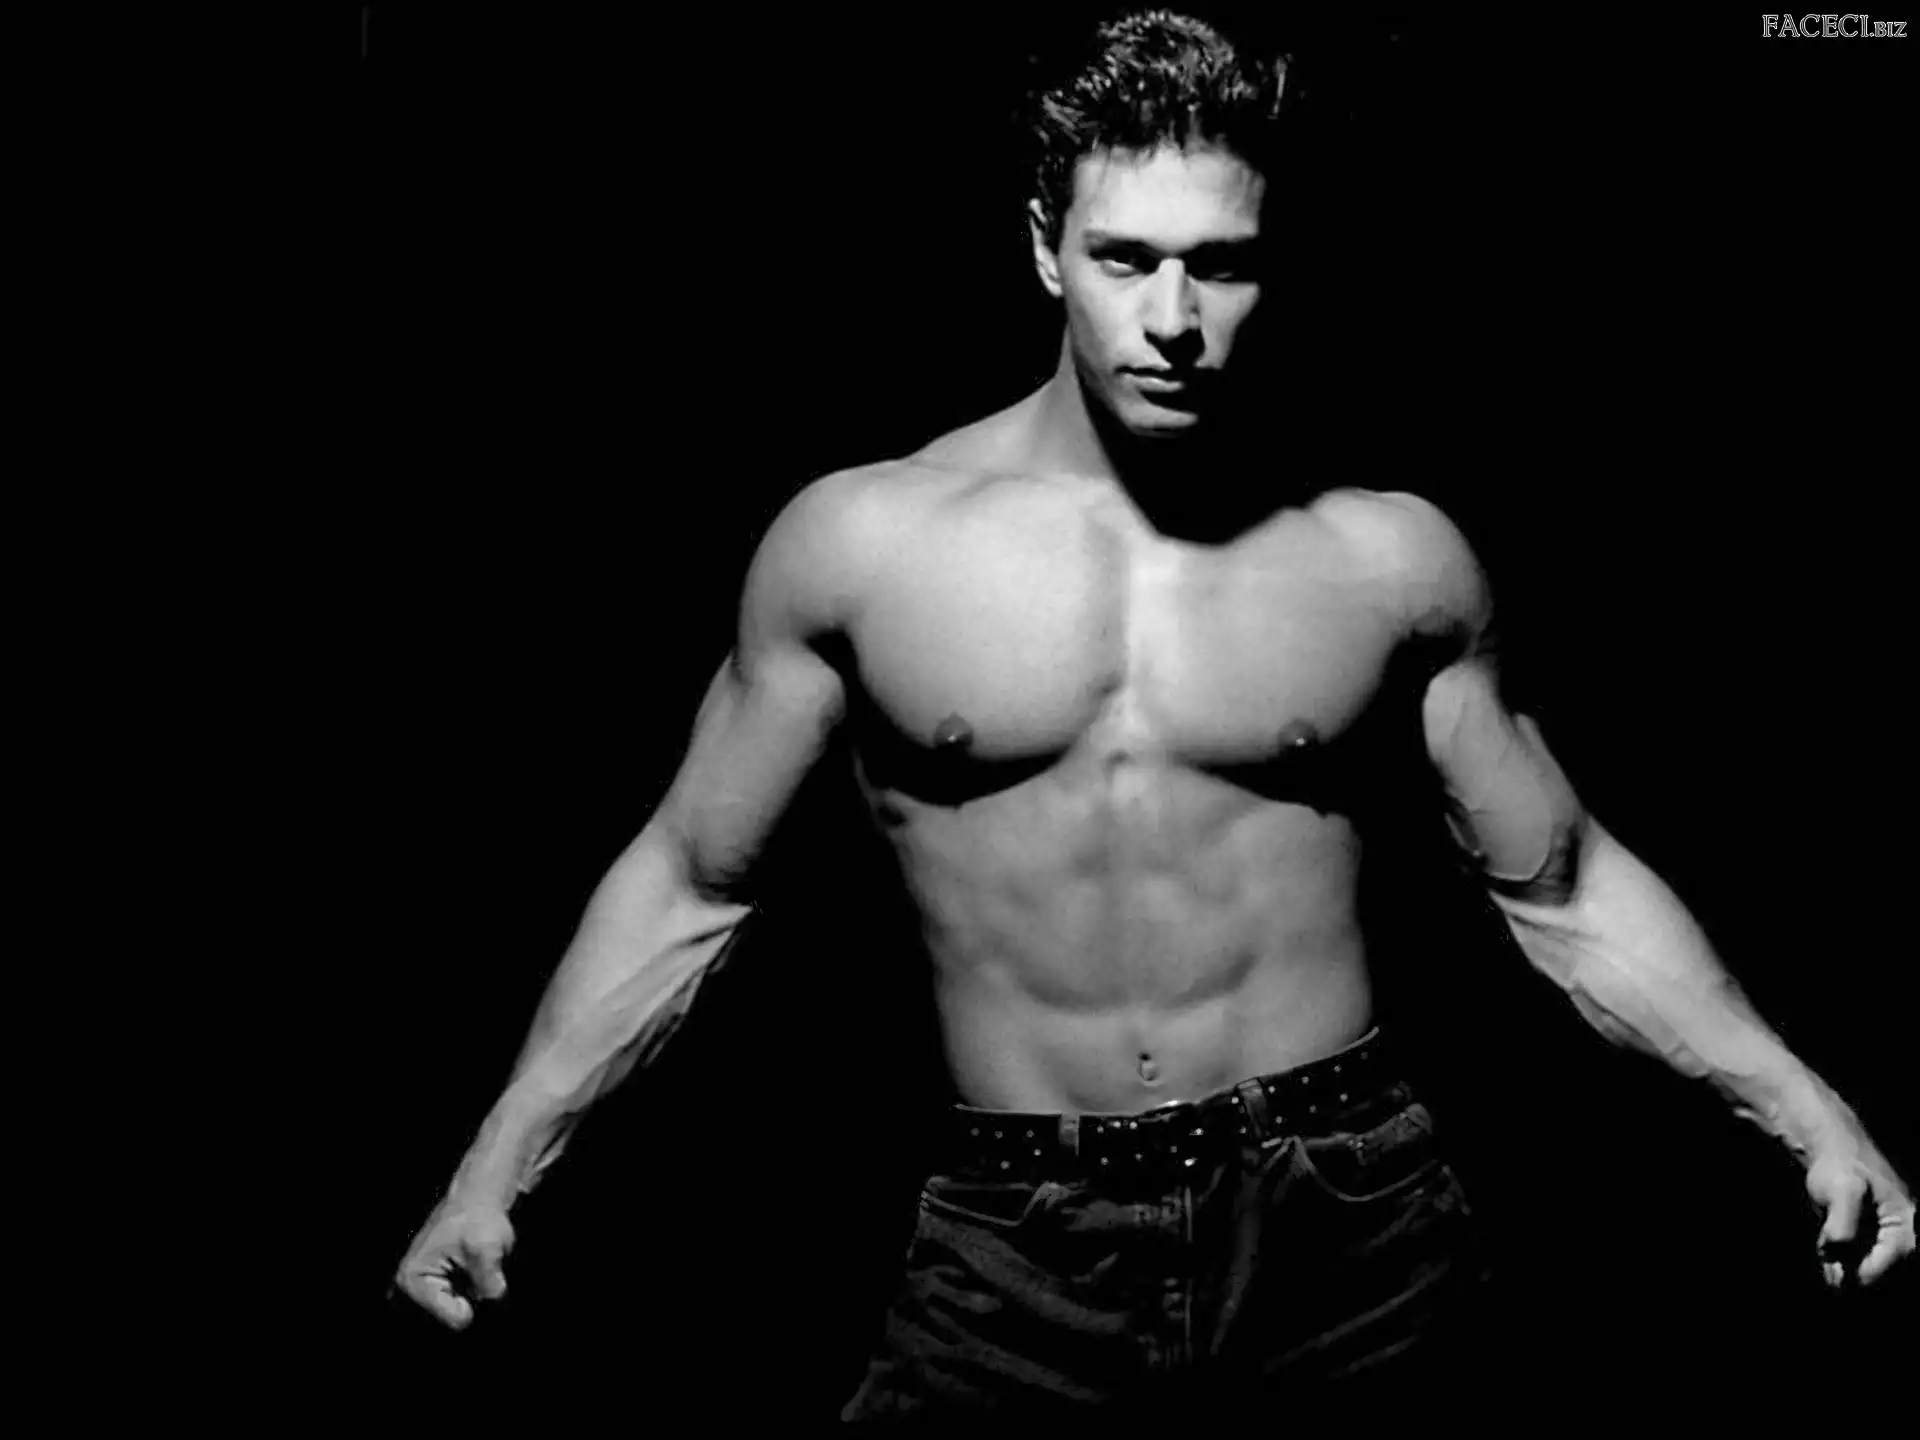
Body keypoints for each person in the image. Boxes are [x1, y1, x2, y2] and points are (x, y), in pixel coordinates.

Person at [393, 8, 1913, 1421]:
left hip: (1349, 1215)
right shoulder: (862, 546)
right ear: (1045, 249)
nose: (1173, 318)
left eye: (1220, 265)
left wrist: (1804, 1107)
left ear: (1274, 262)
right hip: (1017, 1234)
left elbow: (1563, 888)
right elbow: (691, 883)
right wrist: (493, 1168)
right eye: (1125, 259)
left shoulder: (1387, 559)